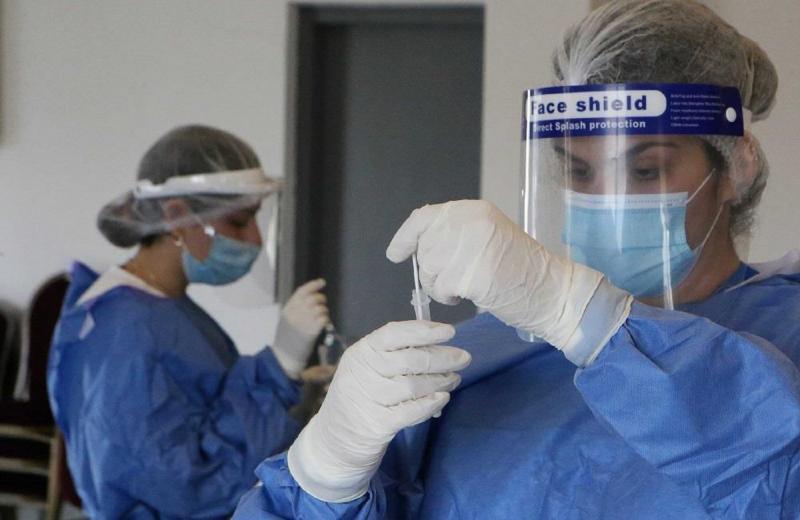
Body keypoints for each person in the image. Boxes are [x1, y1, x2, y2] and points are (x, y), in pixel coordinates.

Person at [233, 1, 800, 518]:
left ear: (737, 165)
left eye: (645, 170)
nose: (604, 199)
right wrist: (325, 472)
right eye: (579, 171)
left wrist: (589, 319)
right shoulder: (494, 348)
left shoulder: (784, 332)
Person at [48, 125, 330, 519]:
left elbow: (206, 408)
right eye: (238, 221)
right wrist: (279, 368)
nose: (253, 240)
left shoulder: (161, 307)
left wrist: (288, 385)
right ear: (176, 215)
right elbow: (191, 488)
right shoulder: (126, 332)